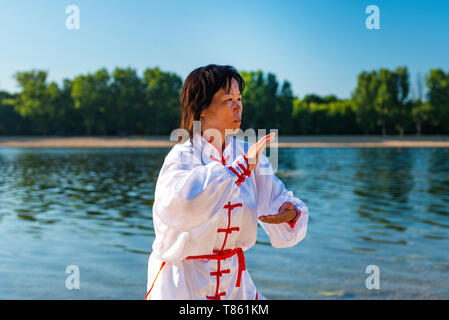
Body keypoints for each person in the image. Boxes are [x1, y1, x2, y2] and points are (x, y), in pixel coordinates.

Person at [145, 64, 309, 300]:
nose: (238, 105)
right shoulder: (183, 155)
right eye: (227, 99)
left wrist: (289, 212)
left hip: (234, 282)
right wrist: (240, 168)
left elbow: (277, 198)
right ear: (201, 108)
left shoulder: (248, 154)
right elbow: (182, 203)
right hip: (185, 285)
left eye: (239, 98)